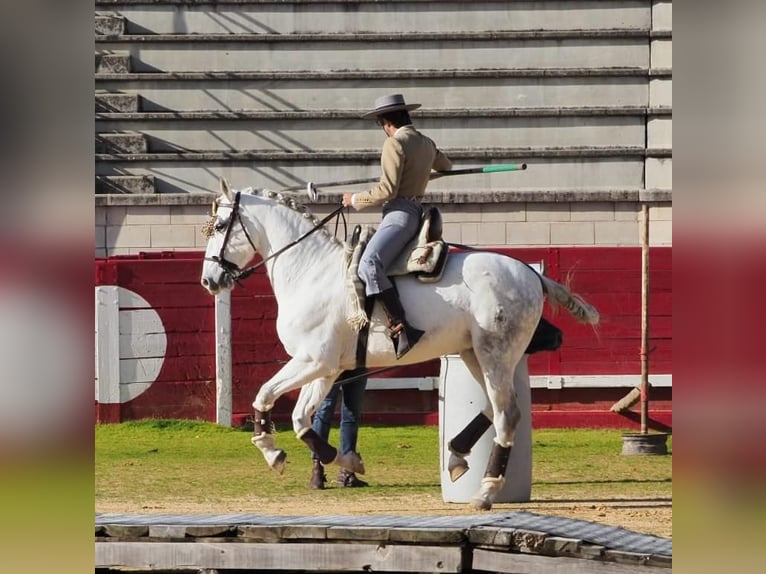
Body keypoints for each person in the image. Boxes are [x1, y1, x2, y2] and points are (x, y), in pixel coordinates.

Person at [342, 94, 452, 359]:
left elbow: (387, 190)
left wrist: (354, 199)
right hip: (416, 210)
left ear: (385, 122)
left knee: (368, 264)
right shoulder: (426, 143)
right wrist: (423, 170)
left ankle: (402, 326)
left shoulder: (395, 144)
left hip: (399, 214)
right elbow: (446, 166)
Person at [310, 368, 369, 489]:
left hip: (357, 360)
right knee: (325, 409)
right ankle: (317, 468)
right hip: (333, 360)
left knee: (350, 412)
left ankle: (347, 469)